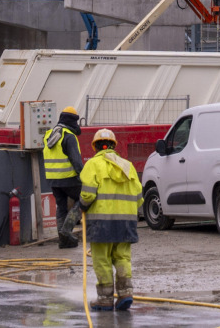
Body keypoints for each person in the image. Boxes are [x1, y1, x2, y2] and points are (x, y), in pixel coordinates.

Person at [79, 128, 142, 311]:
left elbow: (88, 194)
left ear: (95, 147)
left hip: (101, 221)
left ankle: (105, 299)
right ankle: (125, 293)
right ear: (114, 146)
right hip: (126, 222)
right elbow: (139, 197)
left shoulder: (93, 164)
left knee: (102, 259)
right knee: (122, 257)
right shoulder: (128, 166)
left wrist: (82, 206)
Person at [42, 105, 84, 249]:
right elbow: (76, 162)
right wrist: (84, 177)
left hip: (53, 180)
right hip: (69, 178)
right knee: (83, 199)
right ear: (73, 121)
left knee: (61, 206)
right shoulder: (69, 136)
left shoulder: (49, 135)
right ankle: (66, 230)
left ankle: (63, 240)